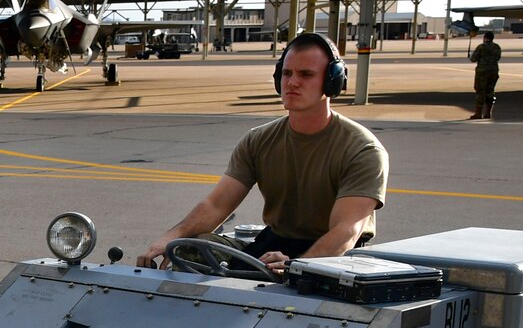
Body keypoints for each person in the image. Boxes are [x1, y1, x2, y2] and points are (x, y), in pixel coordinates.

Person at [137, 32, 388, 273]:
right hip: (275, 245)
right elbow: (216, 205)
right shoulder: (259, 139)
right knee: (189, 250)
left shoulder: (362, 149)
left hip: (336, 255)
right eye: (287, 73)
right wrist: (170, 238)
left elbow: (346, 231)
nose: (292, 82)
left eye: (306, 74)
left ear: (332, 81)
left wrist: (296, 268)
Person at [469, 30, 501, 119]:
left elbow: (473, 59)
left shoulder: (481, 47)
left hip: (482, 72)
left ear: (485, 38)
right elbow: (498, 58)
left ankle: (478, 113)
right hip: (494, 71)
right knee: (490, 91)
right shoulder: (497, 47)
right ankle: (488, 113)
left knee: (480, 92)